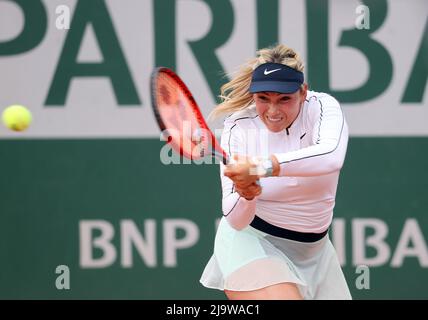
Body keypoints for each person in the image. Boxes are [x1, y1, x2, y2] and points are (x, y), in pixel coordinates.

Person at [199, 44, 352, 300]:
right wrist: (247, 193)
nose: (273, 111)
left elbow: (330, 156)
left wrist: (262, 167)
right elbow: (236, 220)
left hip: (316, 252)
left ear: (302, 92)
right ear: (253, 95)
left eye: (284, 99)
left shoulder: (323, 107)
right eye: (263, 99)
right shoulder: (238, 128)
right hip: (253, 244)